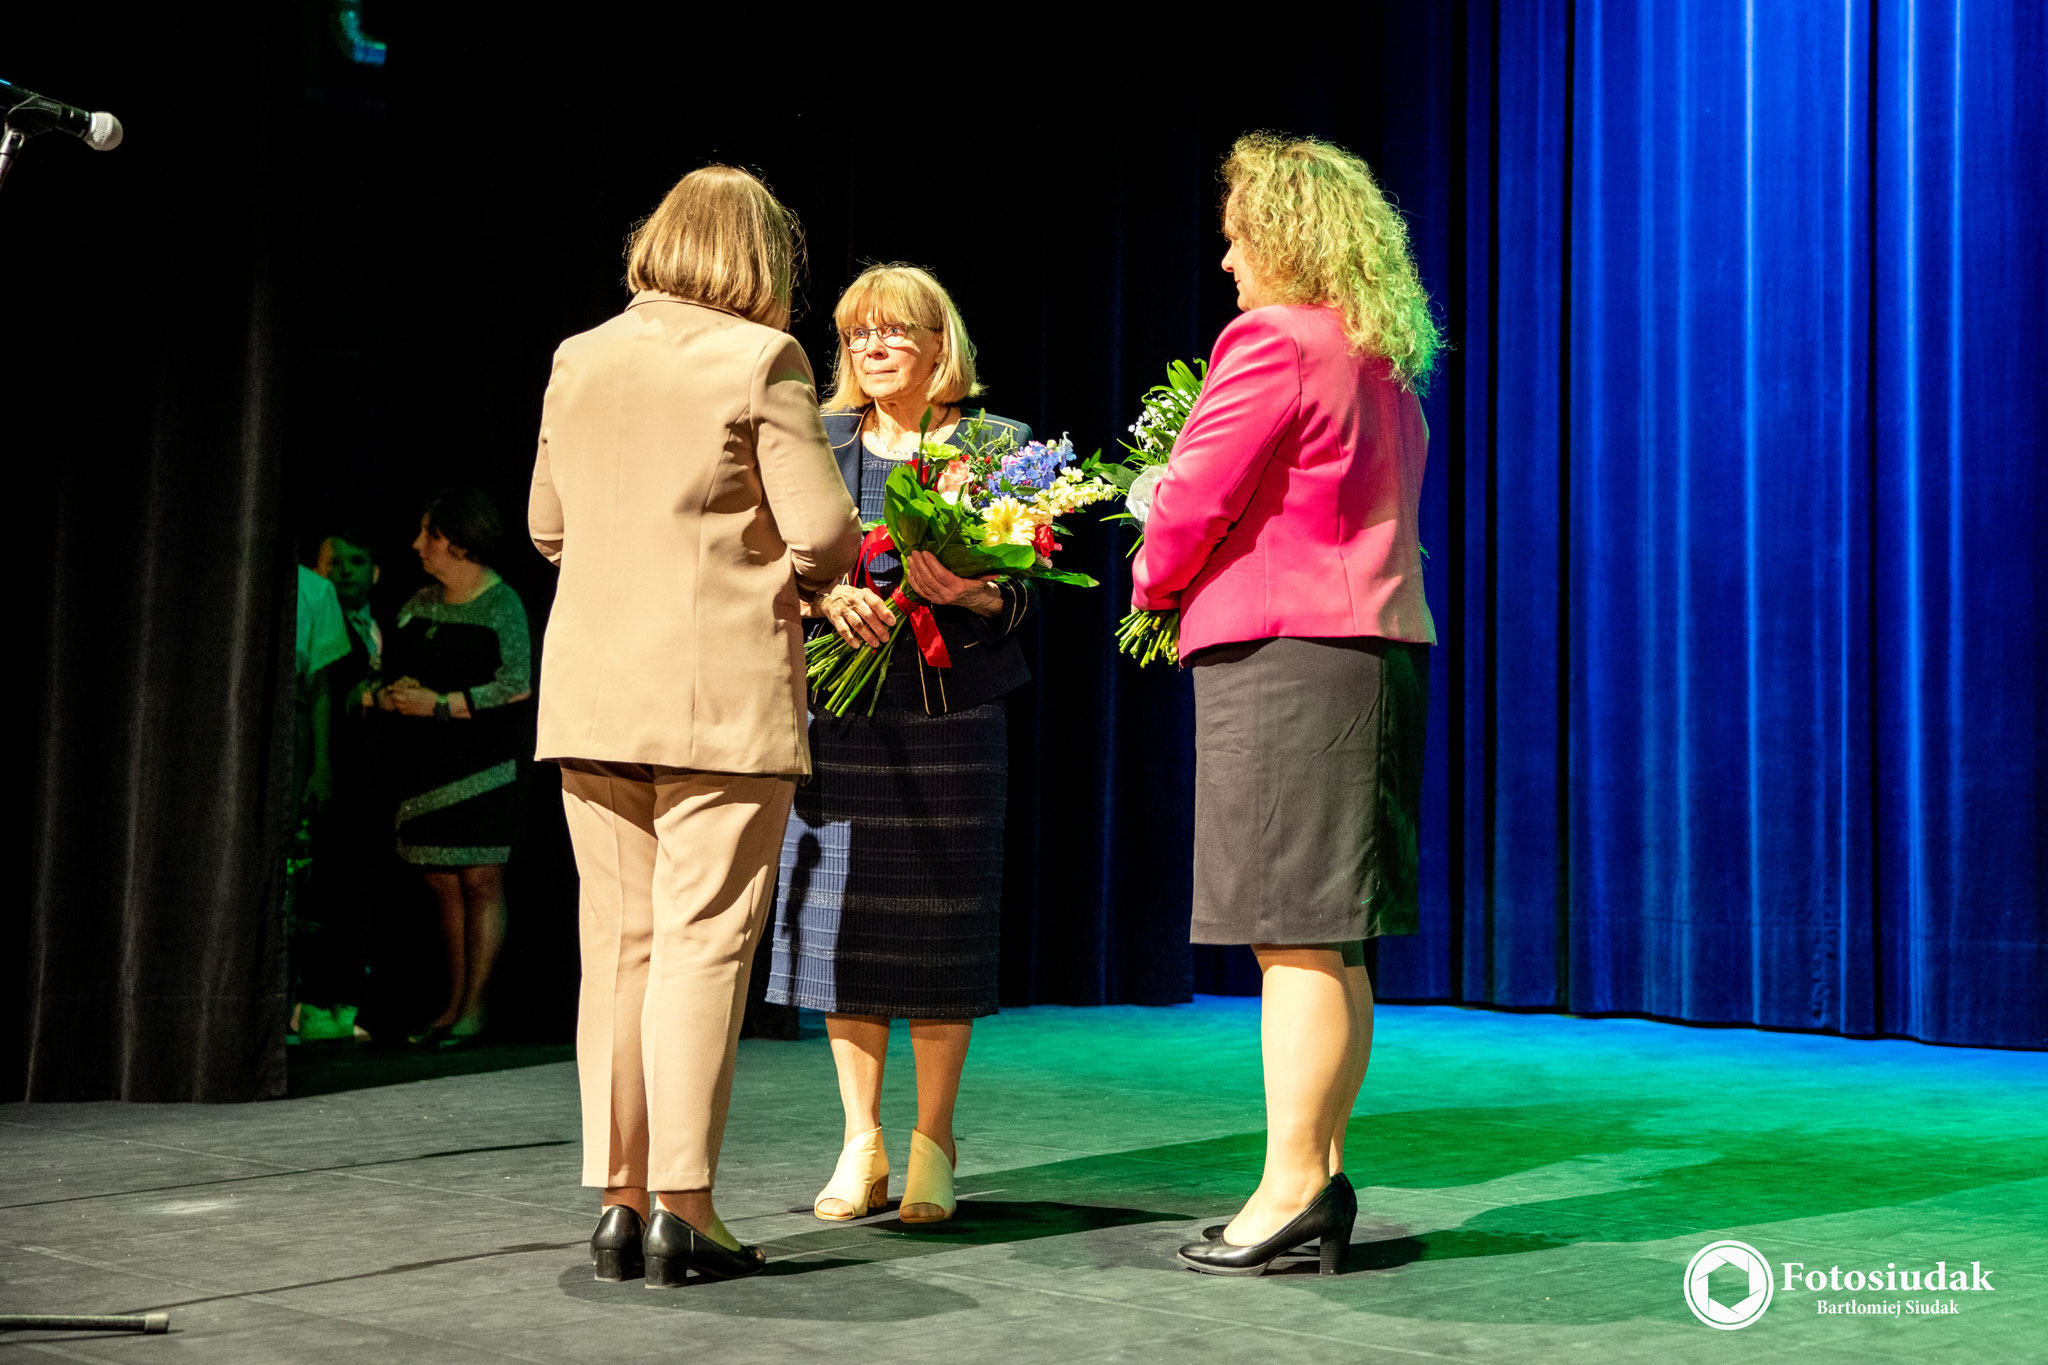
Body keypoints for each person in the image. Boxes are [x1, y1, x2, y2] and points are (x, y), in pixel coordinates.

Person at [530, 164, 861, 1287]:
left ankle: (620, 1204)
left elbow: (545, 527)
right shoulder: (762, 359)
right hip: (716, 694)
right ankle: (687, 1207)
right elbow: (824, 537)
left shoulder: (578, 356)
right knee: (702, 943)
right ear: (760, 257)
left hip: (591, 694)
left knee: (618, 950)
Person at [1131, 133, 1440, 1277]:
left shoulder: (1272, 340)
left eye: (1234, 238)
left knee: (1293, 935)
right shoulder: (1376, 358)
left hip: (1287, 651)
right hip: (1370, 651)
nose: (1224, 262)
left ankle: (1289, 1189)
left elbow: (1192, 499)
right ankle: (1316, 1175)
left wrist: (1152, 575)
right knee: (1330, 937)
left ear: (1282, 235)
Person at [764, 264, 1034, 1228]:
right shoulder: (818, 439)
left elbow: (1029, 583)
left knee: (941, 928)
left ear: (936, 343)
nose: (872, 348)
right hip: (839, 716)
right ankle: (860, 1141)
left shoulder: (998, 445)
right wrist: (819, 596)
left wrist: (976, 593)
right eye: (857, 335)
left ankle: (933, 1142)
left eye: (892, 331)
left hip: (953, 717)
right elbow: (767, 561)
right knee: (842, 927)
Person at [375, 488, 532, 1048]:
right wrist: (393, 693)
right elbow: (389, 665)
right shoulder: (418, 602)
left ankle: (476, 1008)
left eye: (431, 534)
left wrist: (442, 705)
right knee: (442, 883)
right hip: (425, 767)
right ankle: (452, 1003)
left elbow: (517, 684)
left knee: (479, 879)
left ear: (461, 542)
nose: (418, 544)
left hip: (483, 767)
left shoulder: (503, 603)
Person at [295, 530, 386, 1042]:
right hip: (334, 770)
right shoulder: (315, 615)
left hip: (377, 780)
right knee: (325, 883)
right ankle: (315, 998)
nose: (346, 571)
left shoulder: (393, 621)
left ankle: (353, 995)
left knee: (361, 885)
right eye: (335, 562)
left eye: (357, 561)